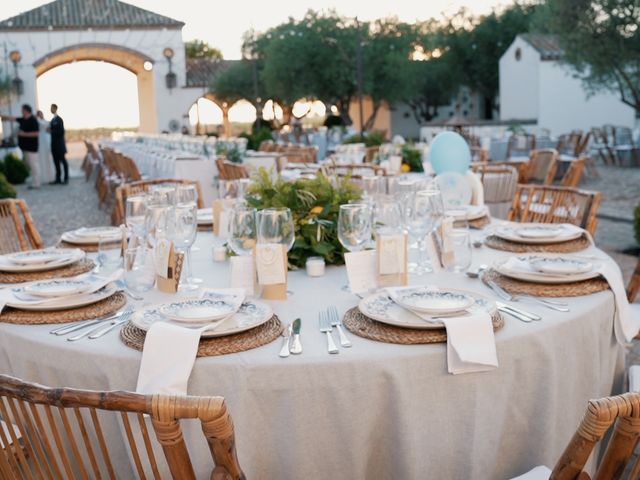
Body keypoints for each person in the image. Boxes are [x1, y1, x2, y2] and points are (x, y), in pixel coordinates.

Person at [0, 104, 40, 189]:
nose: (21, 111)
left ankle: (37, 183)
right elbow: (12, 118)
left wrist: (24, 134)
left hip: (32, 148)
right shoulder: (23, 119)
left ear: (26, 110)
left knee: (33, 165)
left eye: (22, 109)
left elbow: (36, 133)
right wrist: (2, 116)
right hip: (24, 147)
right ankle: (34, 182)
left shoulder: (33, 120)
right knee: (29, 165)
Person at [49, 103, 68, 184]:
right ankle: (58, 178)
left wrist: (51, 131)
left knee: (63, 161)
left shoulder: (59, 119)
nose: (51, 109)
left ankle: (66, 178)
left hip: (59, 145)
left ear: (55, 109)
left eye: (52, 108)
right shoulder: (52, 120)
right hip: (54, 145)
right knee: (56, 162)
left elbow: (61, 132)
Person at [36, 110, 54, 184]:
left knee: (49, 155)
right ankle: (44, 176)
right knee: (41, 157)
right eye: (39, 114)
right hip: (41, 140)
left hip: (47, 139)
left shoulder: (45, 121)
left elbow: (49, 129)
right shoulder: (37, 121)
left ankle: (51, 175)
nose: (40, 115)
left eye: (41, 114)